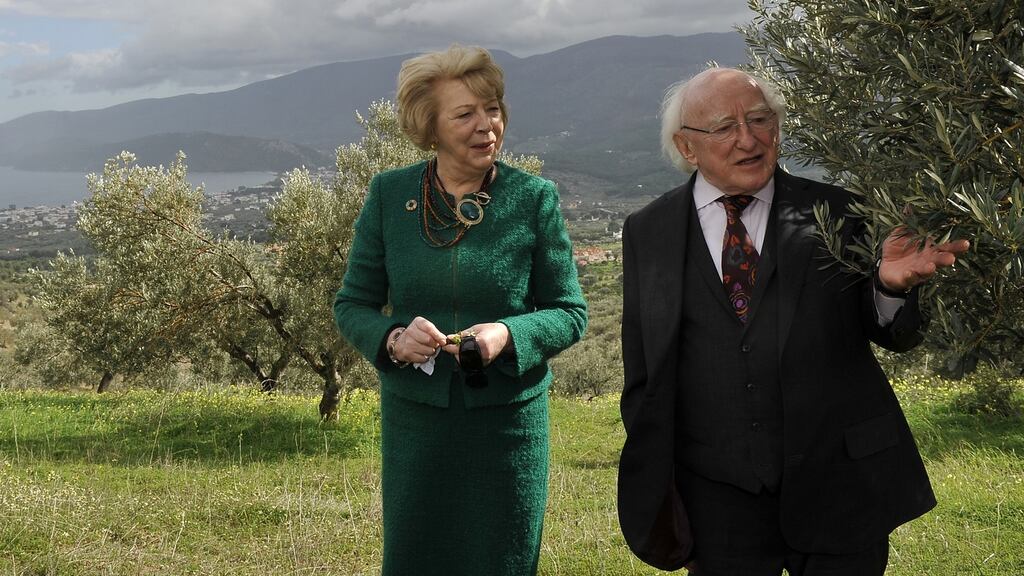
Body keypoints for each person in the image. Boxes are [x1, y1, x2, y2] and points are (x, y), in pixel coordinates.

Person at [616, 67, 970, 575]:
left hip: (839, 486)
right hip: (717, 502)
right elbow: (644, 364)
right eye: (723, 127)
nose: (749, 138)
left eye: (761, 119)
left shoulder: (841, 211)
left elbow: (893, 332)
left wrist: (890, 287)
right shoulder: (647, 230)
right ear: (687, 146)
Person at [333, 45, 587, 576]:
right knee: (418, 556)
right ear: (431, 126)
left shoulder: (533, 198)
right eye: (465, 113)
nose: (486, 125)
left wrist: (508, 334)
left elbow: (569, 311)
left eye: (492, 108)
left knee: (503, 558)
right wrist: (393, 339)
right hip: (417, 423)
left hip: (507, 427)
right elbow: (353, 304)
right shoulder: (388, 196)